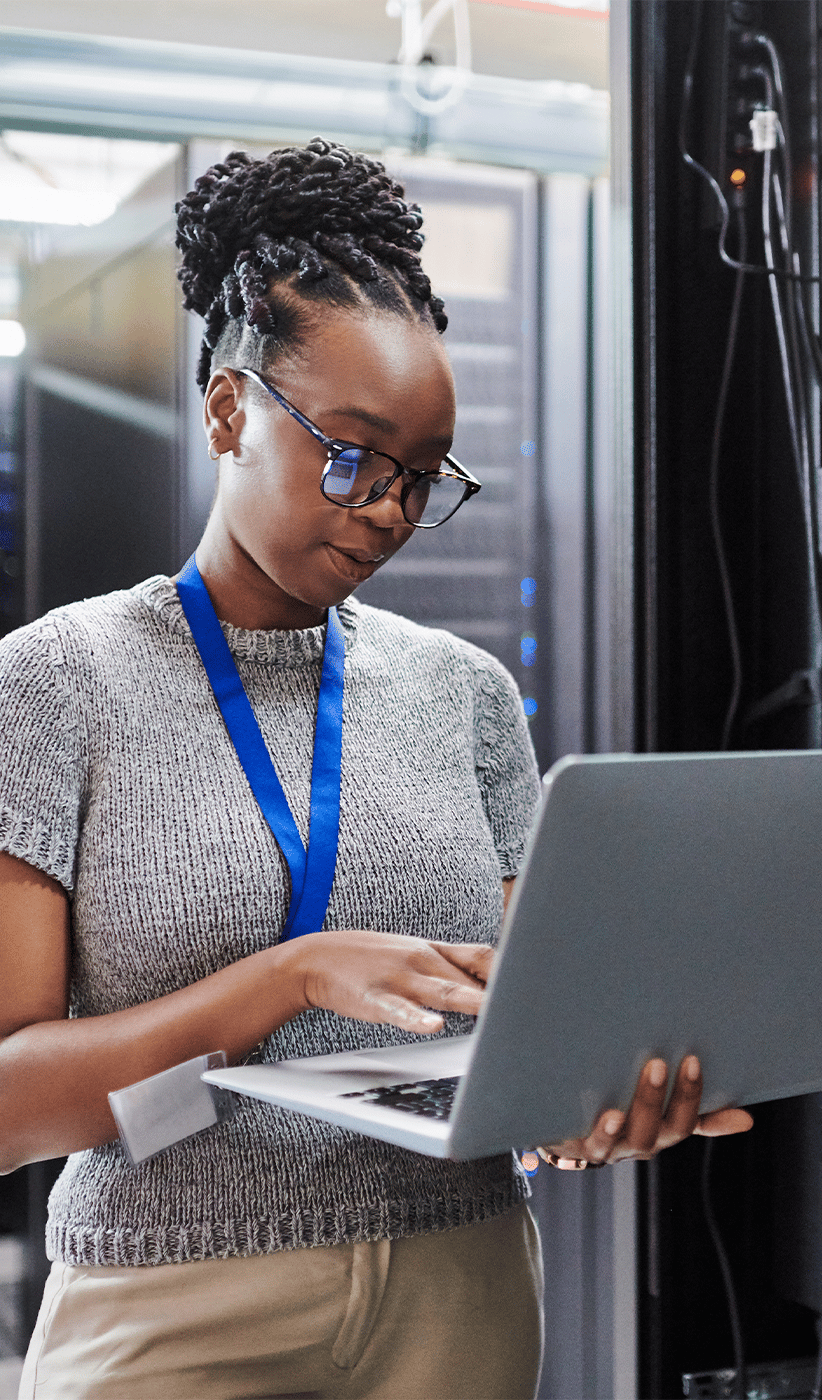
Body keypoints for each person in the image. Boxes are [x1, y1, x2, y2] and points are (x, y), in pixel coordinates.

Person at [0, 138, 752, 1400]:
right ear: (231, 409)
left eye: (420, 477)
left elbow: (524, 1027)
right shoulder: (53, 680)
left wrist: (592, 1098)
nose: (388, 512)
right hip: (169, 1301)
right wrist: (287, 974)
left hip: (459, 1289)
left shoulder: (461, 693)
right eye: (351, 455)